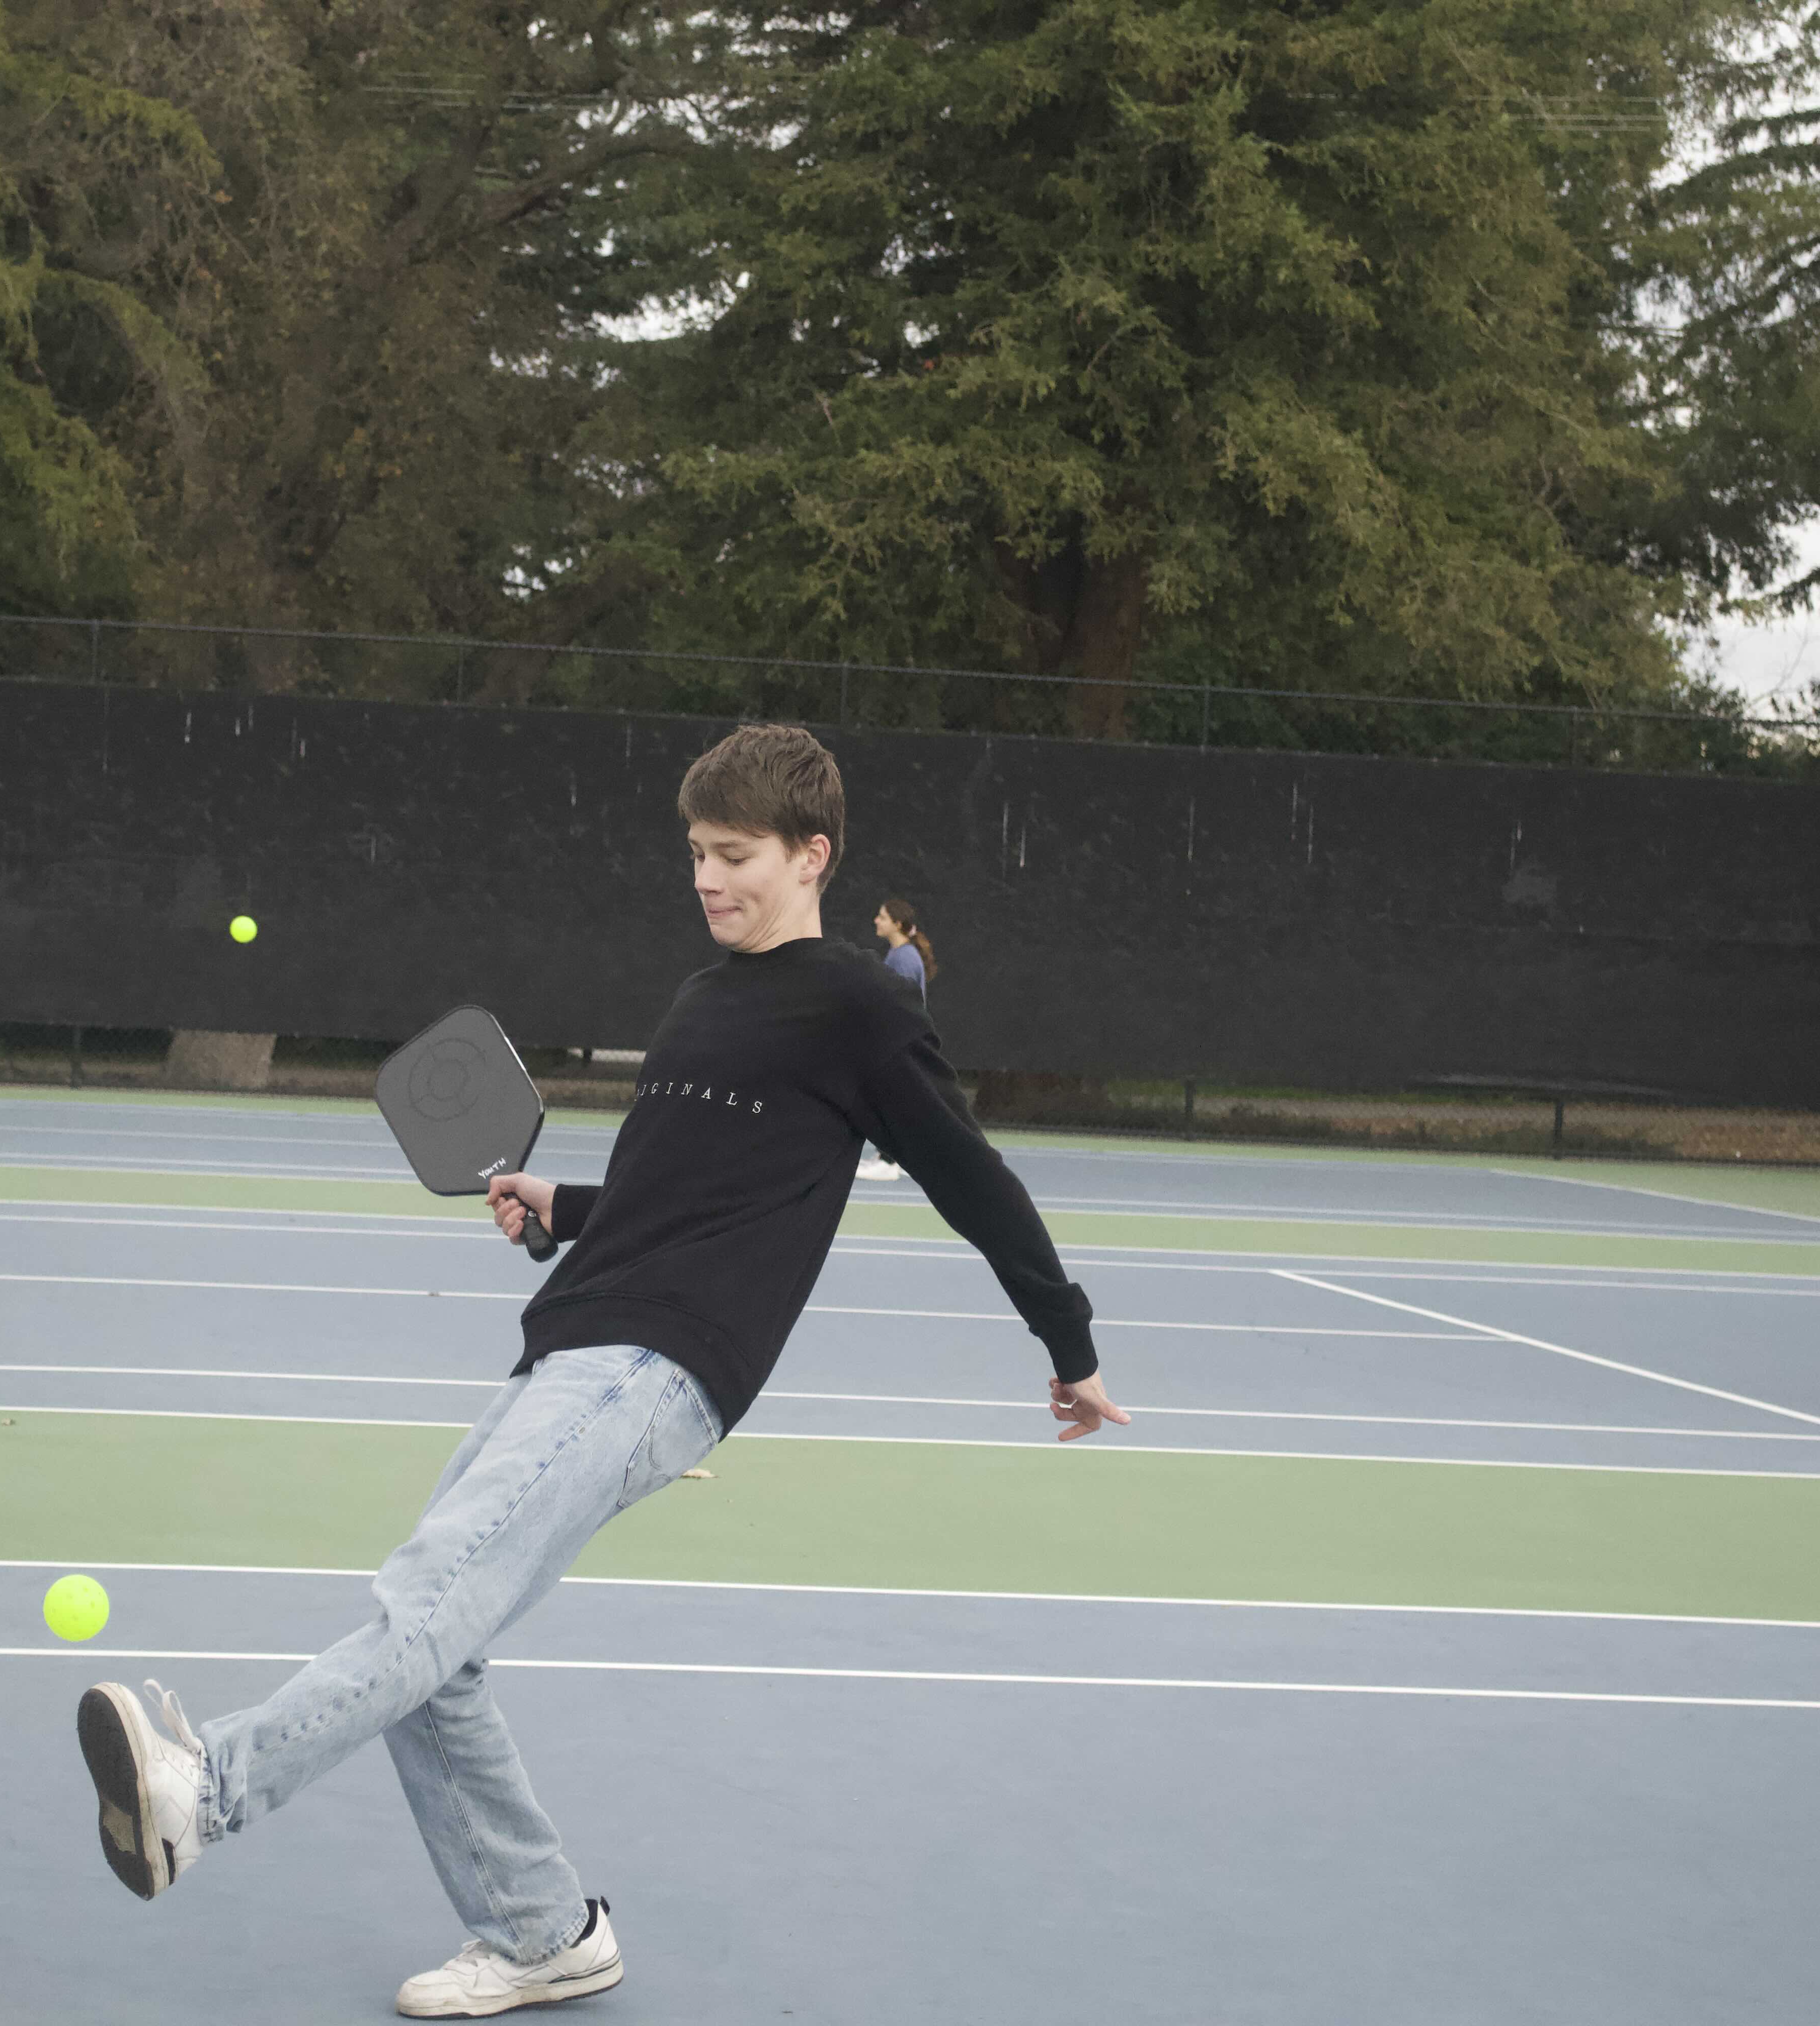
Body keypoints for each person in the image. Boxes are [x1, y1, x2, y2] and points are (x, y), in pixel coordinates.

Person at [72, 722, 1127, 2018]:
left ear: (814, 856)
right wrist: (557, 1206)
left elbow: (975, 1177)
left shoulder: (859, 1008)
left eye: (734, 855)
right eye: (695, 853)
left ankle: (206, 1791)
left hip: (662, 1364)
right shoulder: (700, 999)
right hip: (578, 1333)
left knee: (424, 1600)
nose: (708, 878)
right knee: (439, 1652)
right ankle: (541, 1928)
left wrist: (1066, 1344)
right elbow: (666, 1188)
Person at [855, 898, 936, 1180]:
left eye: (882, 917)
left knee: (888, 1100)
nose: (877, 921)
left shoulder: (903, 958)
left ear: (897, 924)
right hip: (900, 1042)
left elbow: (897, 1007)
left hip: (899, 1043)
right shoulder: (900, 955)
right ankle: (889, 1156)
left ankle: (889, 1162)